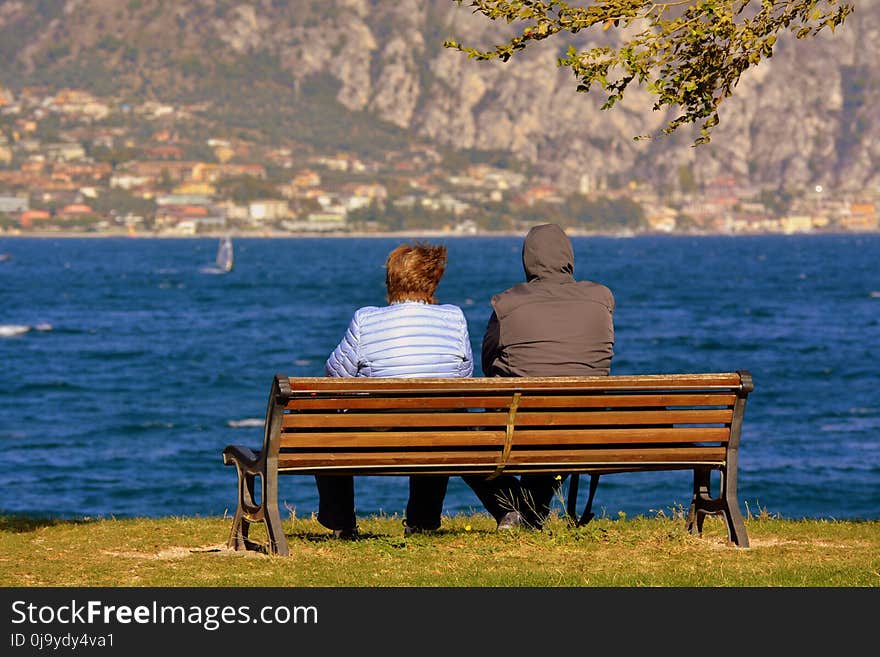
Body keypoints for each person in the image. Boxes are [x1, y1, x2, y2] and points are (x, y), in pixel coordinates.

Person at [464, 223, 614, 530]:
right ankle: (529, 513)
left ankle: (515, 509)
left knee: (462, 436)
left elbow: (488, 361)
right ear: (568, 256)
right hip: (586, 424)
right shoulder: (601, 299)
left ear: (527, 259)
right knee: (561, 427)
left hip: (521, 421)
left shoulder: (507, 303)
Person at [319, 242, 473, 539]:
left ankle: (342, 523)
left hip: (375, 435)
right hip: (437, 433)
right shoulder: (454, 317)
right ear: (433, 279)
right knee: (441, 416)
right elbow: (463, 375)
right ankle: (423, 522)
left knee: (325, 430)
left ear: (391, 279)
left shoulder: (365, 319)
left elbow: (335, 374)